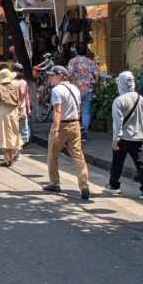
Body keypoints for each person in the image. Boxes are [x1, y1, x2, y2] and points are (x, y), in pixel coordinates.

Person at [44, 67, 91, 199]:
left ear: (60, 76)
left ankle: (54, 183)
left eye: (52, 76)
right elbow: (79, 109)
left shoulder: (57, 90)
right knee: (78, 156)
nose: (50, 78)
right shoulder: (75, 88)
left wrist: (56, 129)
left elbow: (57, 111)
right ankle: (84, 185)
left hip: (62, 124)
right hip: (75, 123)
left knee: (52, 156)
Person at [104, 71, 143, 201]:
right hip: (138, 136)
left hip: (123, 137)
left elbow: (118, 122)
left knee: (118, 163)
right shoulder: (140, 99)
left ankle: (114, 185)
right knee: (141, 164)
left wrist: (115, 139)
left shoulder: (119, 100)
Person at [67, 44, 99, 138]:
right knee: (86, 112)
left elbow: (68, 75)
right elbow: (97, 76)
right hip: (87, 90)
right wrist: (94, 85)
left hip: (75, 90)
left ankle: (75, 133)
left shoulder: (72, 61)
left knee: (74, 111)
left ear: (76, 51)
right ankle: (84, 133)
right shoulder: (91, 62)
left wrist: (70, 84)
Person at [0, 68, 23, 166]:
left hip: (3, 112)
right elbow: (20, 99)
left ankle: (7, 156)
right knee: (12, 133)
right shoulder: (16, 87)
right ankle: (10, 154)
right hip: (14, 112)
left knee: (3, 134)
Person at [12, 63, 31, 153]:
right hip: (22, 109)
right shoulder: (24, 82)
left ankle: (16, 147)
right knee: (23, 129)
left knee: (13, 129)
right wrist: (28, 108)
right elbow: (26, 96)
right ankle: (20, 146)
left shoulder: (11, 82)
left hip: (12, 110)